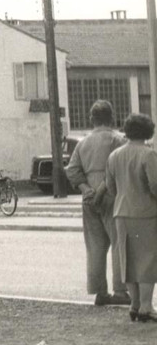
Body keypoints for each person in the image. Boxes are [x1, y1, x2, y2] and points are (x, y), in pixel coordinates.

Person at [66, 99, 131, 306]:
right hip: (113, 195)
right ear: (111, 118)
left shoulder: (82, 143)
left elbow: (73, 170)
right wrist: (102, 190)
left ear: (91, 119)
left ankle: (99, 292)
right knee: (120, 243)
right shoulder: (118, 141)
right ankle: (120, 291)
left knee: (95, 246)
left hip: (89, 198)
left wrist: (87, 190)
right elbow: (119, 168)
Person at [105, 113, 157, 322]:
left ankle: (134, 305)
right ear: (148, 131)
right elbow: (155, 185)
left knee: (128, 259)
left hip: (120, 212)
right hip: (145, 213)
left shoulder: (114, 155)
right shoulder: (149, 155)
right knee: (147, 259)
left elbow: (110, 187)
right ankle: (146, 306)